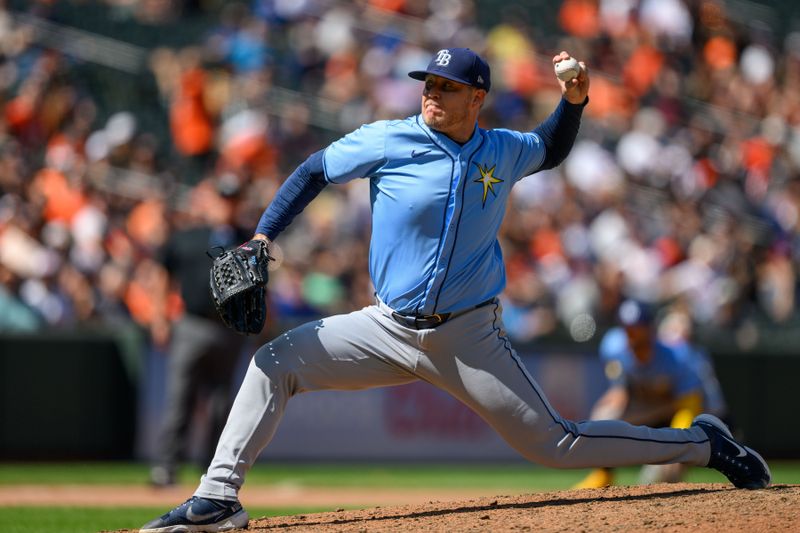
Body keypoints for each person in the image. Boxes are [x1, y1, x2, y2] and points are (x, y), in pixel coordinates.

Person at [140, 48, 770, 532]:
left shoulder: (501, 148)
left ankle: (704, 443)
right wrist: (262, 238)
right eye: (428, 84)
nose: (432, 94)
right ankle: (218, 496)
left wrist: (574, 101)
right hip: (385, 327)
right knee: (274, 362)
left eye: (446, 87)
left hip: (469, 334)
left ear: (479, 97)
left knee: (558, 446)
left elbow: (549, 147)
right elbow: (313, 170)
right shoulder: (389, 138)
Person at [148, 181, 248, 487]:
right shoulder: (188, 237)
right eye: (222, 198)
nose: (226, 205)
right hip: (191, 324)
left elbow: (261, 289)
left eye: (232, 199)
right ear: (209, 201)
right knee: (180, 398)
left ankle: (212, 471)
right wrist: (159, 317)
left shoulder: (248, 239)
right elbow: (162, 273)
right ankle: (167, 466)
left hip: (229, 329)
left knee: (221, 404)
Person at [575, 300, 728, 488]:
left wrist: (678, 444)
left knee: (656, 480)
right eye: (627, 328)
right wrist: (619, 391)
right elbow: (619, 384)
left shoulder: (676, 357)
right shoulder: (613, 346)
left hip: (676, 413)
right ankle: (602, 475)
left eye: (637, 328)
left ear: (650, 329)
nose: (631, 334)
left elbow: (690, 405)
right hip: (648, 407)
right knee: (603, 417)